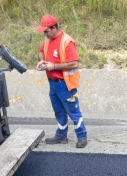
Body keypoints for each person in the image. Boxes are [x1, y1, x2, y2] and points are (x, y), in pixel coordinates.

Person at [36, 14, 88, 148]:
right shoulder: (47, 40)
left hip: (65, 84)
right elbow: (41, 51)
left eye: (46, 31)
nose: (45, 34)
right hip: (53, 84)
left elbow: (74, 64)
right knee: (59, 111)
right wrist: (42, 61)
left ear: (54, 28)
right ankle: (61, 135)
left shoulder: (66, 42)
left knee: (73, 111)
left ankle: (82, 136)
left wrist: (54, 66)